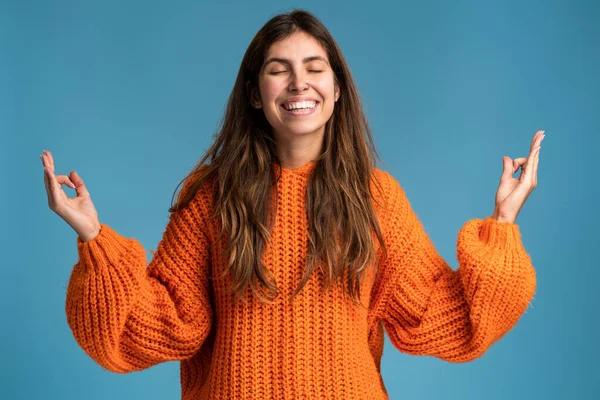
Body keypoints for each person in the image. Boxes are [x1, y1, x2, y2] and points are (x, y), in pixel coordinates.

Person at [40, 9, 542, 400]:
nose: (299, 83)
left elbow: (444, 315)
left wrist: (502, 224)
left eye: (314, 68)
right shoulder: (213, 195)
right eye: (279, 70)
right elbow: (162, 323)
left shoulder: (376, 198)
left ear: (337, 88)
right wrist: (93, 240)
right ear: (256, 94)